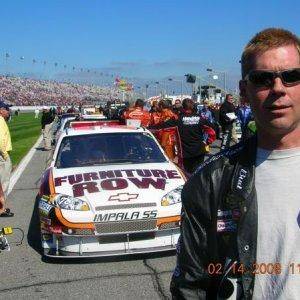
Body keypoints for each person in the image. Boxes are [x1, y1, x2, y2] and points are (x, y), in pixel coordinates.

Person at [171, 28, 300, 299]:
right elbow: (190, 286)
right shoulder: (210, 181)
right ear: (244, 90)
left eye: (291, 77)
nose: (278, 88)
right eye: (262, 79)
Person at [150, 98, 215, 174]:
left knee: (186, 175)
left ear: (183, 107)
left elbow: (162, 127)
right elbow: (212, 129)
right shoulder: (199, 118)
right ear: (193, 106)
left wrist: (146, 128)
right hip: (199, 151)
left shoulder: (177, 119)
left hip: (185, 153)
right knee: (198, 174)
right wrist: (207, 142)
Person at [0, 101, 14, 217]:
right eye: (6, 109)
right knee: (4, 183)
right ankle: (1, 209)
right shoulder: (0, 121)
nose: (8, 111)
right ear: (1, 110)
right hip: (2, 155)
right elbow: (0, 141)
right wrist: (5, 155)